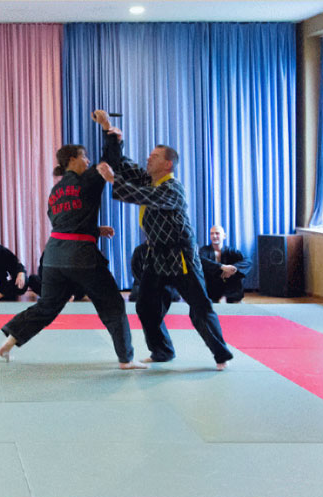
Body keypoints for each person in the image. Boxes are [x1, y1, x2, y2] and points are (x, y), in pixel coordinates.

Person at [0, 110, 146, 370]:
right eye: (84, 156)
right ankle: (126, 358)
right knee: (112, 305)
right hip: (81, 257)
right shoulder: (88, 179)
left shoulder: (55, 192)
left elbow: (62, 222)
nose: (88, 160)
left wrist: (94, 229)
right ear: (73, 160)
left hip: (54, 257)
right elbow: (110, 161)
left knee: (47, 306)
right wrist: (107, 127)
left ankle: (11, 340)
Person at [99, 127, 233, 370]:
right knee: (146, 305)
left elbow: (143, 195)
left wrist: (112, 180)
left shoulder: (172, 188)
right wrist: (113, 137)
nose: (148, 158)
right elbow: (124, 165)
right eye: (149, 155)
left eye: (155, 156)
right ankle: (162, 350)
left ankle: (221, 353)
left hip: (180, 256)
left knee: (200, 308)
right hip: (156, 256)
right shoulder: (149, 180)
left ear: (168, 164)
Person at [199, 225, 252, 303]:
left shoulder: (231, 250)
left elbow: (248, 261)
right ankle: (222, 298)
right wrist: (222, 267)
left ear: (224, 236)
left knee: (237, 270)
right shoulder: (204, 250)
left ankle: (228, 297)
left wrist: (233, 269)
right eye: (212, 234)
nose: (214, 236)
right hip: (212, 285)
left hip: (230, 285)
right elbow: (202, 260)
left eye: (217, 233)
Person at [129, 240, 181, 304]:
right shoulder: (139, 250)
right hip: (142, 282)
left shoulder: (166, 248)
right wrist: (144, 283)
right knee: (135, 295)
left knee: (174, 295)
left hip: (163, 283)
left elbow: (172, 270)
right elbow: (135, 270)